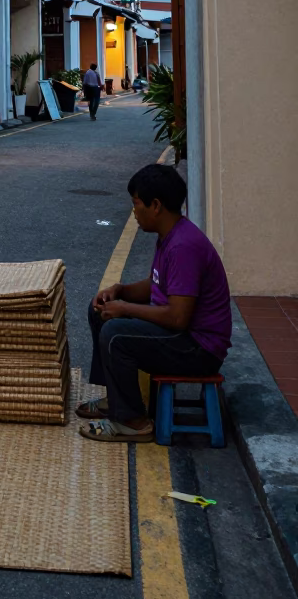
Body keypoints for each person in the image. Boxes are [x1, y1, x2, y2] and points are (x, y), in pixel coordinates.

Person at [77, 163, 232, 443]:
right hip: (180, 336)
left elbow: (177, 318)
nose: (134, 212)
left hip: (197, 349)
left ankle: (134, 421)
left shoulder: (184, 246)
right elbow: (155, 285)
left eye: (137, 204)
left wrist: (124, 308)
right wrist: (120, 291)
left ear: (156, 205)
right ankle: (116, 400)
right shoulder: (169, 237)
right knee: (99, 310)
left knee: (115, 332)